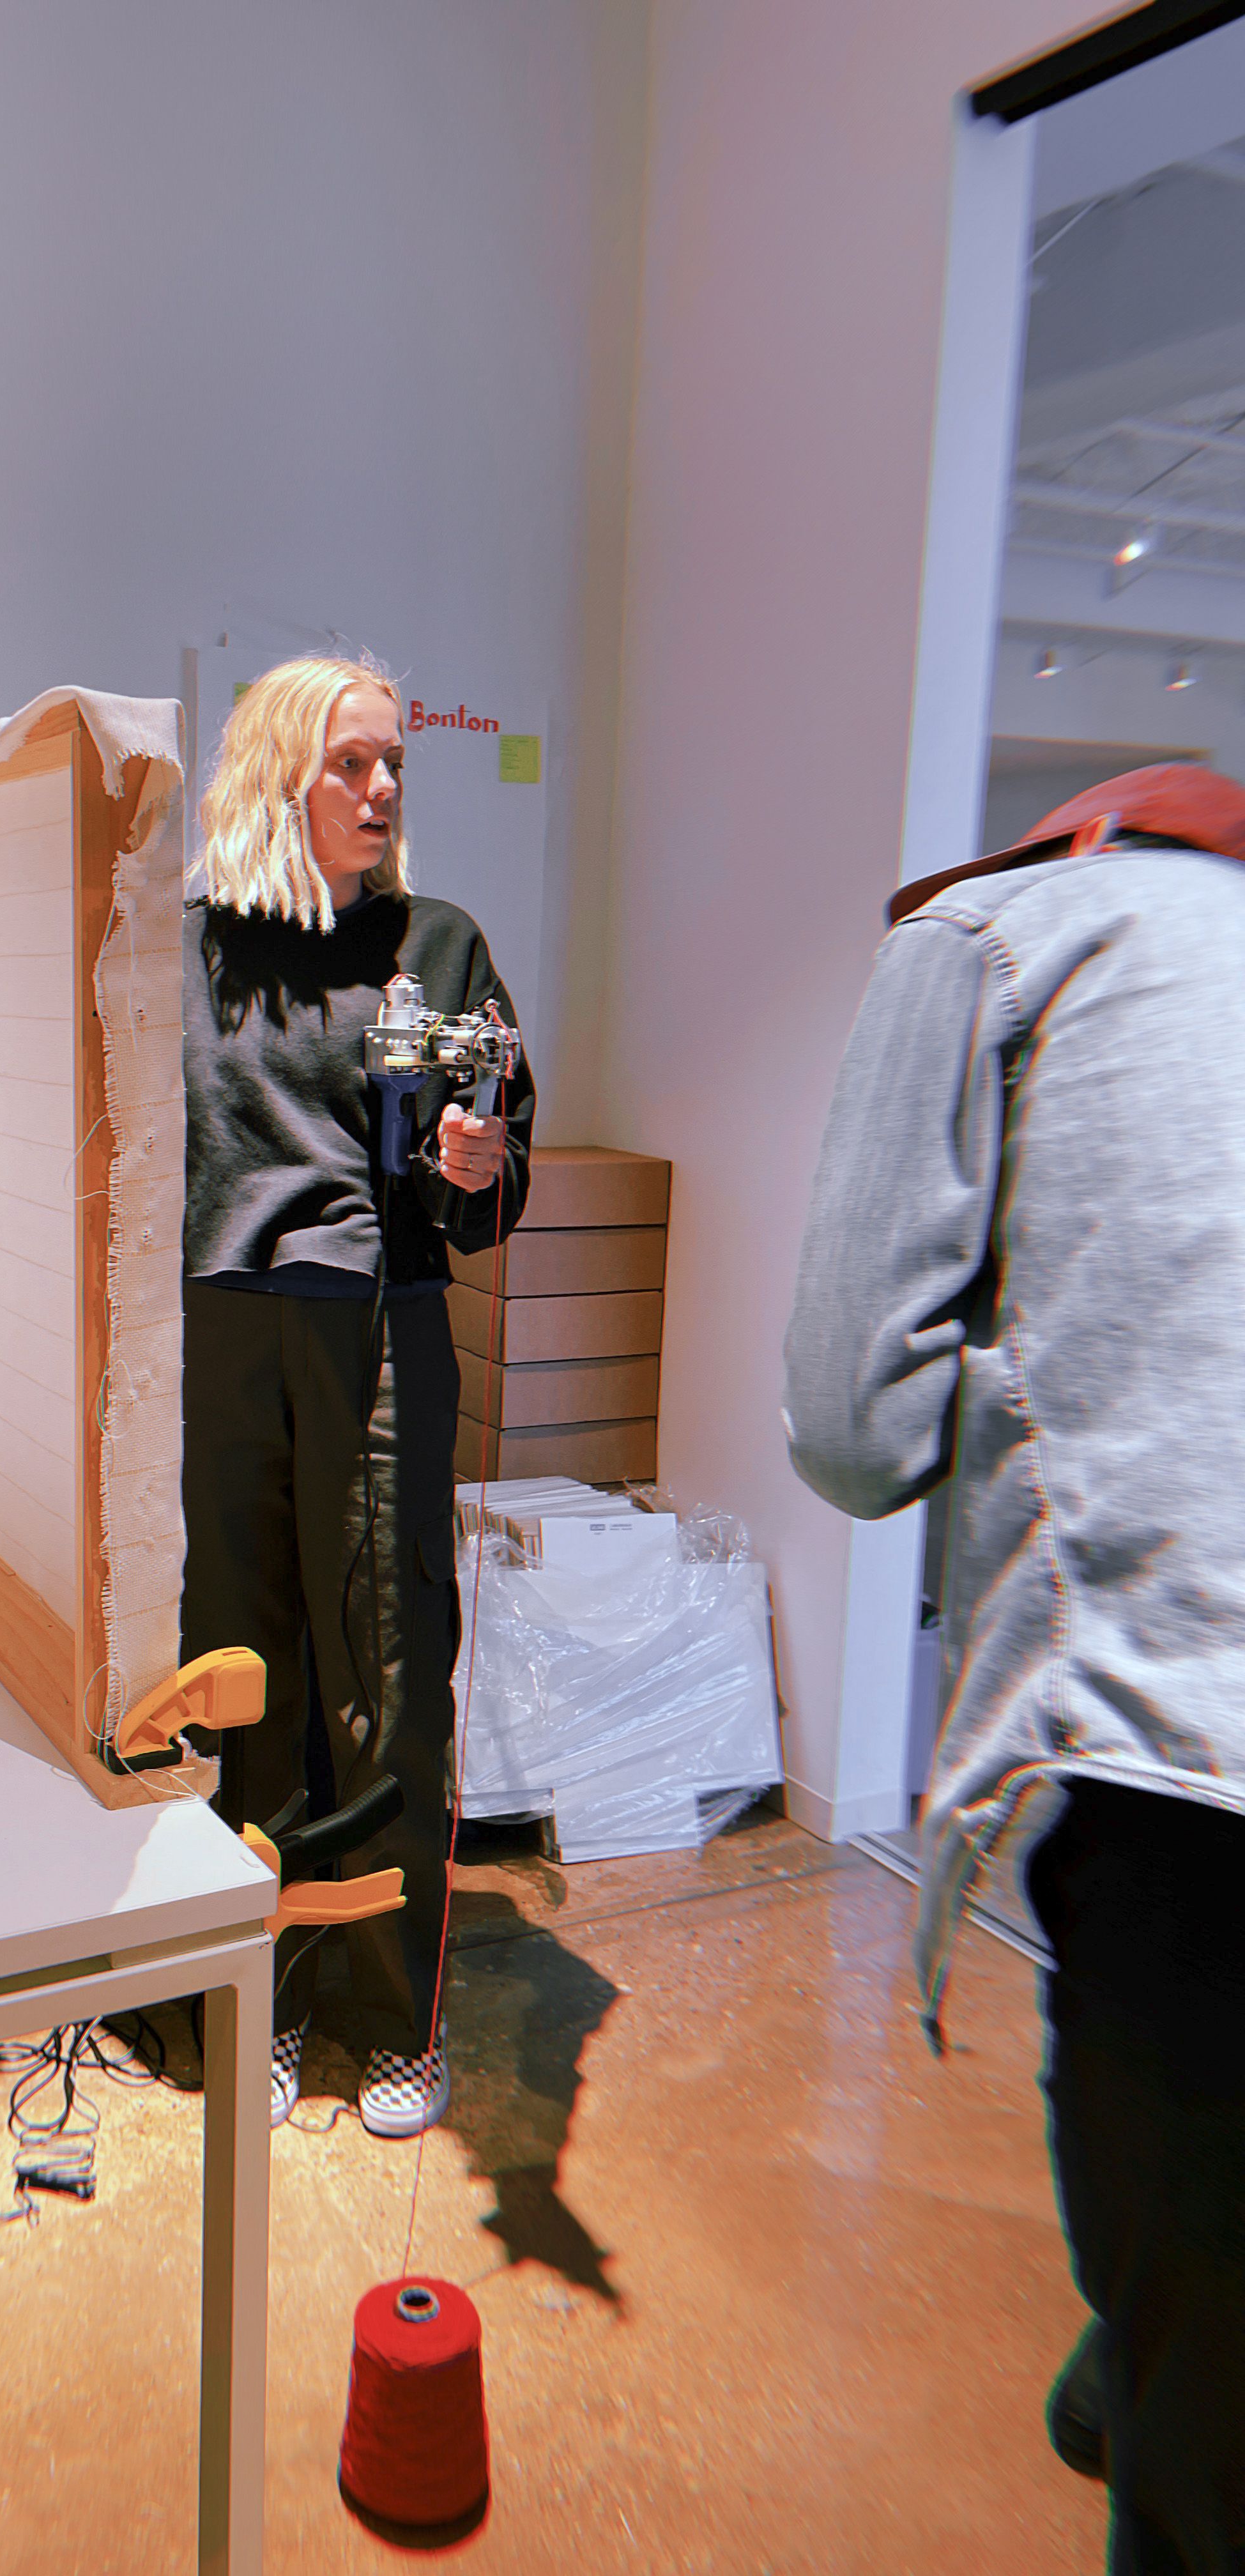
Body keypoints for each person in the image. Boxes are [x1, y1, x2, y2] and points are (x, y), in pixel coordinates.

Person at [783, 764, 1245, 2575]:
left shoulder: (989, 936)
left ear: (1067, 843)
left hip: (1183, 1746)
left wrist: (1031, 1374)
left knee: (1205, 2454)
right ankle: (1134, 2351)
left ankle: (1152, 2366)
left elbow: (856, 1432)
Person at [181, 651, 533, 2136]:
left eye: (395, 764)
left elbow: (488, 1164)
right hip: (217, 1334)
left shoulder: (438, 947)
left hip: (380, 1331)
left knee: (385, 1665)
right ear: (281, 773)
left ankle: (394, 2014)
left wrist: (478, 1160)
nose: (384, 787)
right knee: (241, 1664)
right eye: (353, 763)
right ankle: (259, 1991)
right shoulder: (186, 951)